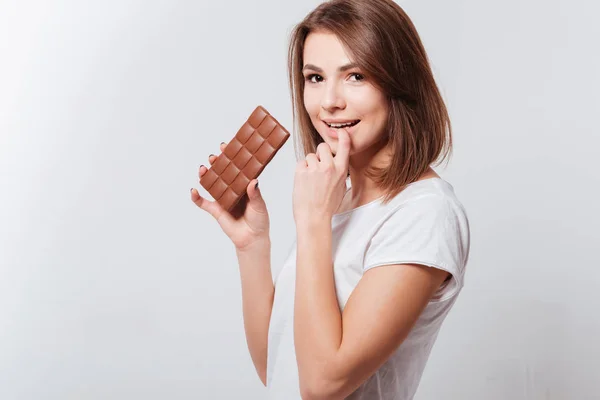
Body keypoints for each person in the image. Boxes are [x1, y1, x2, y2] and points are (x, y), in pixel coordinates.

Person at [190, 0, 471, 398]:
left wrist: (313, 221)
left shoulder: (424, 213)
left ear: (398, 82)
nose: (329, 102)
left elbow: (323, 384)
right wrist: (252, 245)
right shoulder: (338, 201)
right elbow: (276, 364)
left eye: (355, 75)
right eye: (315, 77)